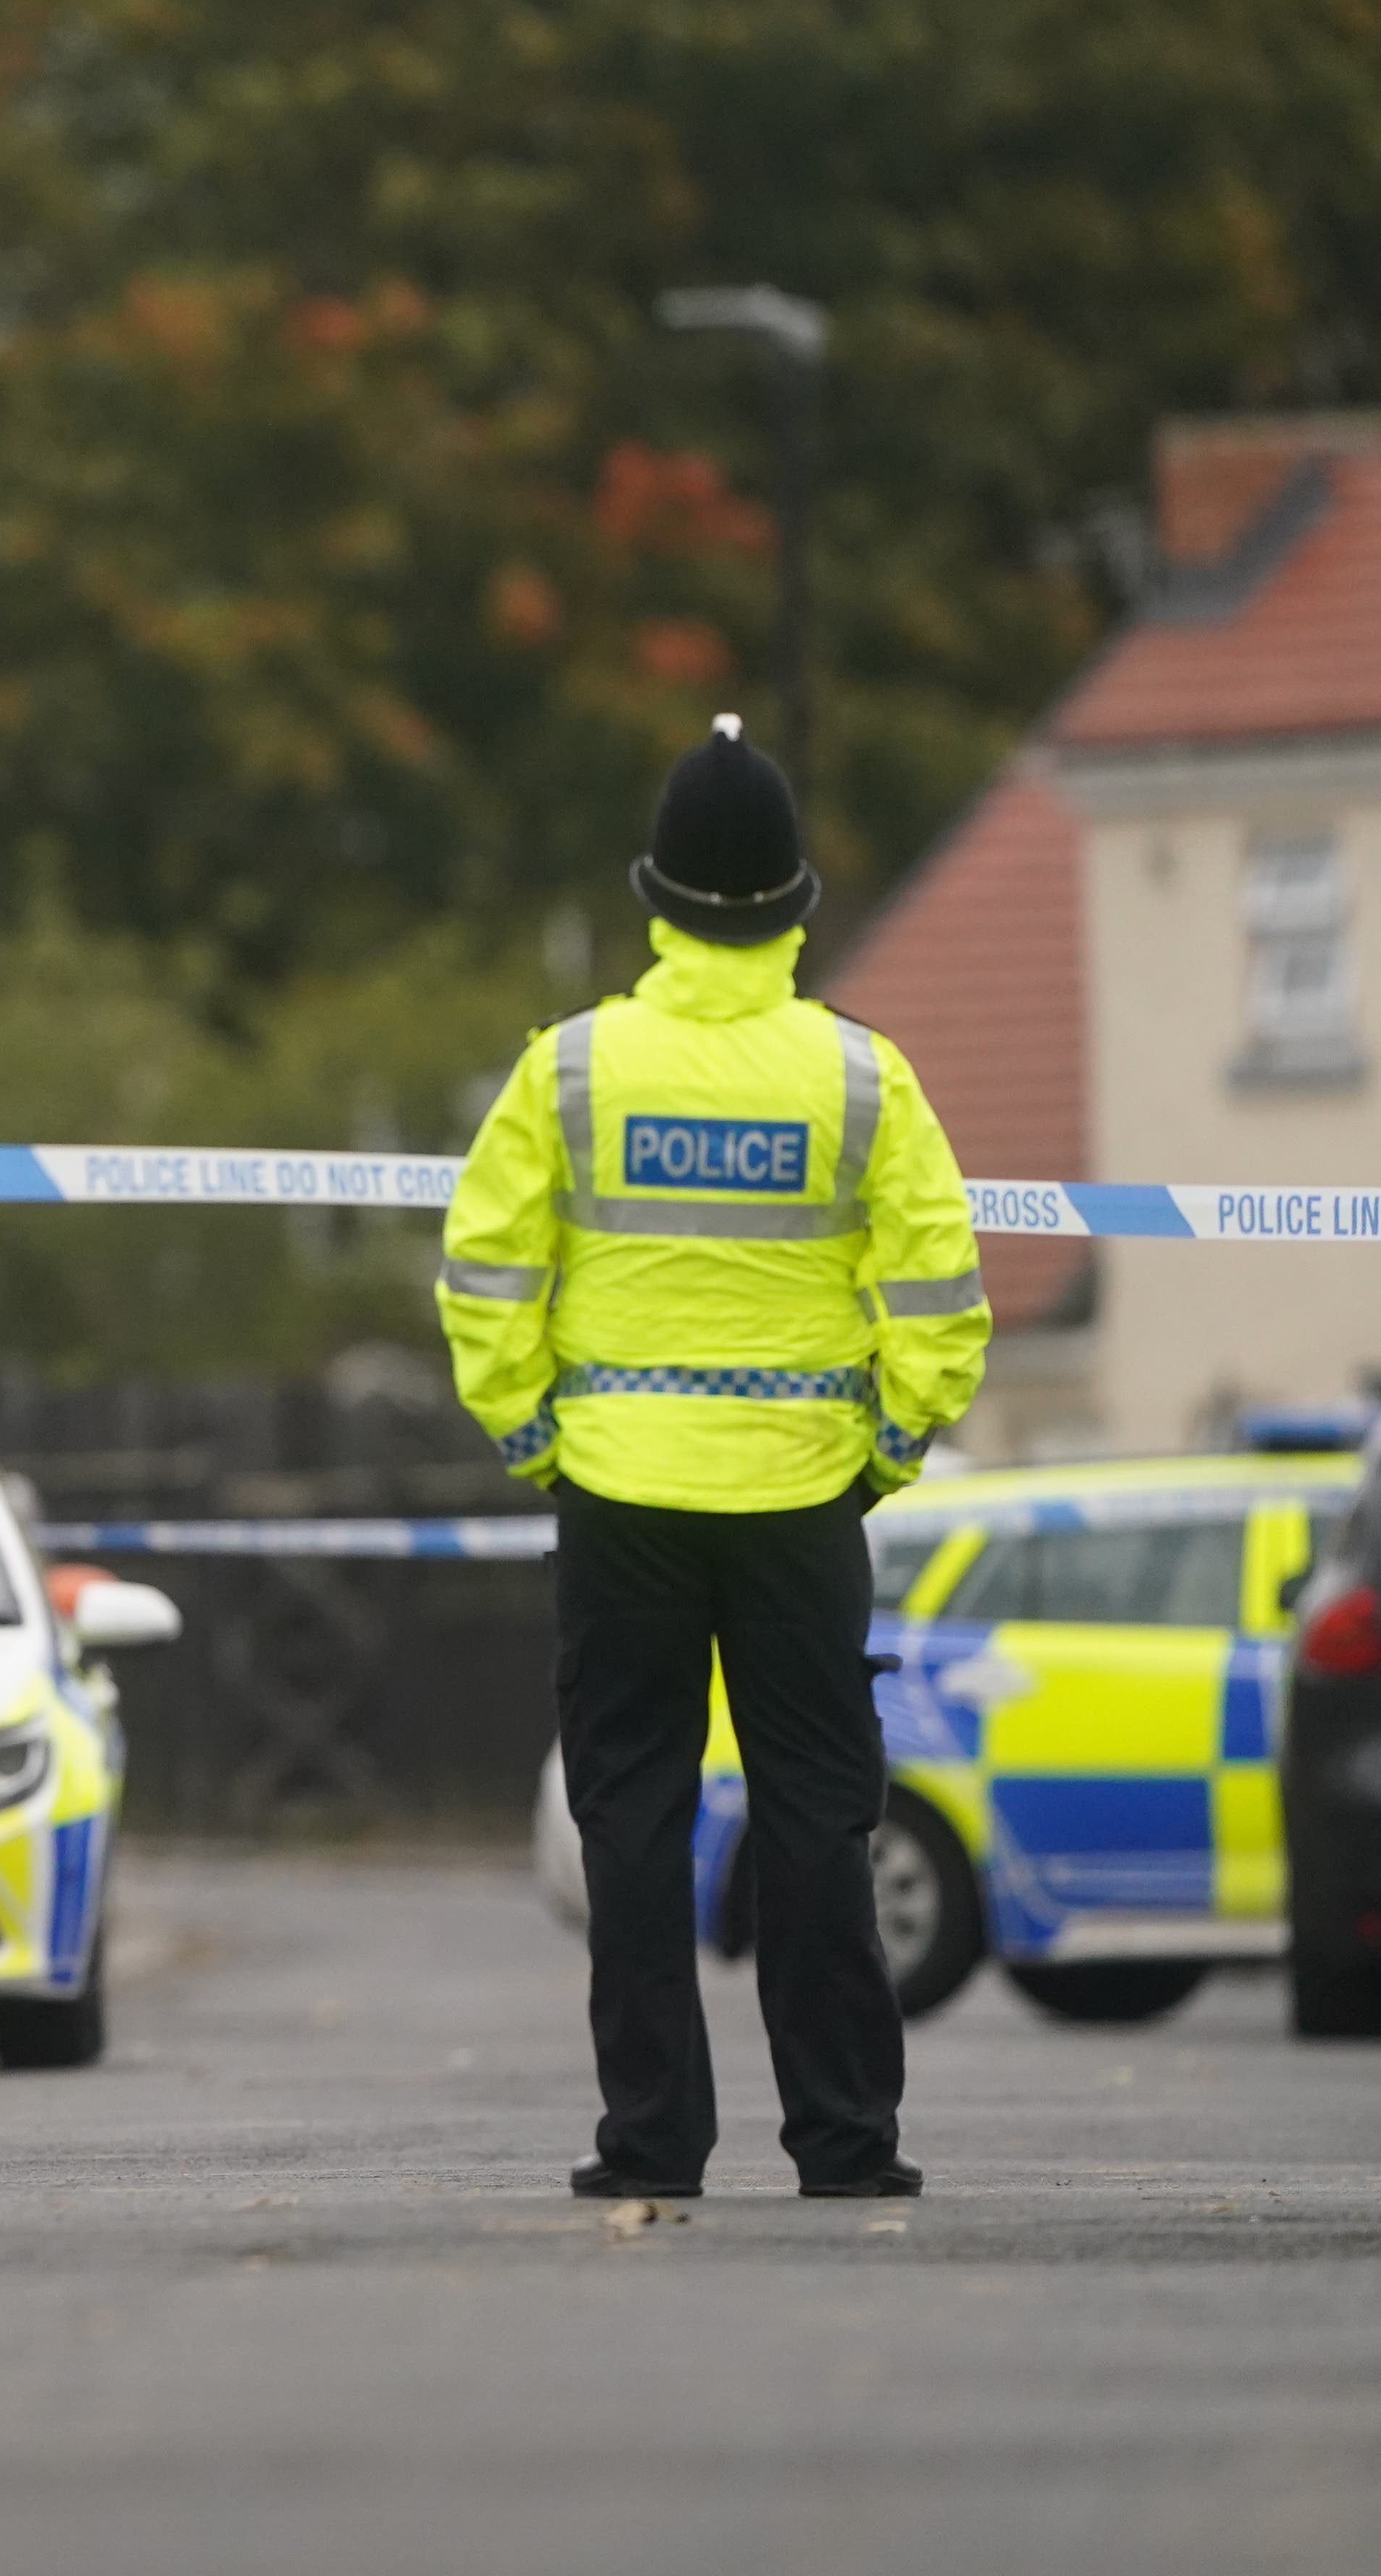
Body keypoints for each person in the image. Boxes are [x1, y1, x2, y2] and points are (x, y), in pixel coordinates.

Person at [438, 715, 990, 2200]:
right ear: (797, 906)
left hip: (619, 1496)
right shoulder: (863, 1079)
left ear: (658, 898)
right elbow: (939, 1284)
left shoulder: (568, 1072)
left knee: (633, 1812)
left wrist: (535, 1433)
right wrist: (885, 1446)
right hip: (805, 1498)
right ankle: (847, 2136)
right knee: (819, 1816)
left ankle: (651, 2137)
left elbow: (486, 1266)